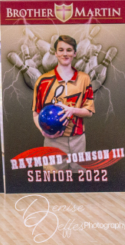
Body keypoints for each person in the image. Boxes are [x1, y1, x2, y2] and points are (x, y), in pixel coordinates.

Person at [32, 36, 94, 171]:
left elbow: (89, 111)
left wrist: (72, 110)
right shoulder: (43, 80)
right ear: (55, 53)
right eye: (61, 50)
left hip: (78, 140)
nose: (65, 53)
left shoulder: (84, 78)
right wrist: (44, 132)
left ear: (75, 53)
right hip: (53, 141)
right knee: (53, 181)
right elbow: (36, 113)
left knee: (78, 182)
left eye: (69, 50)